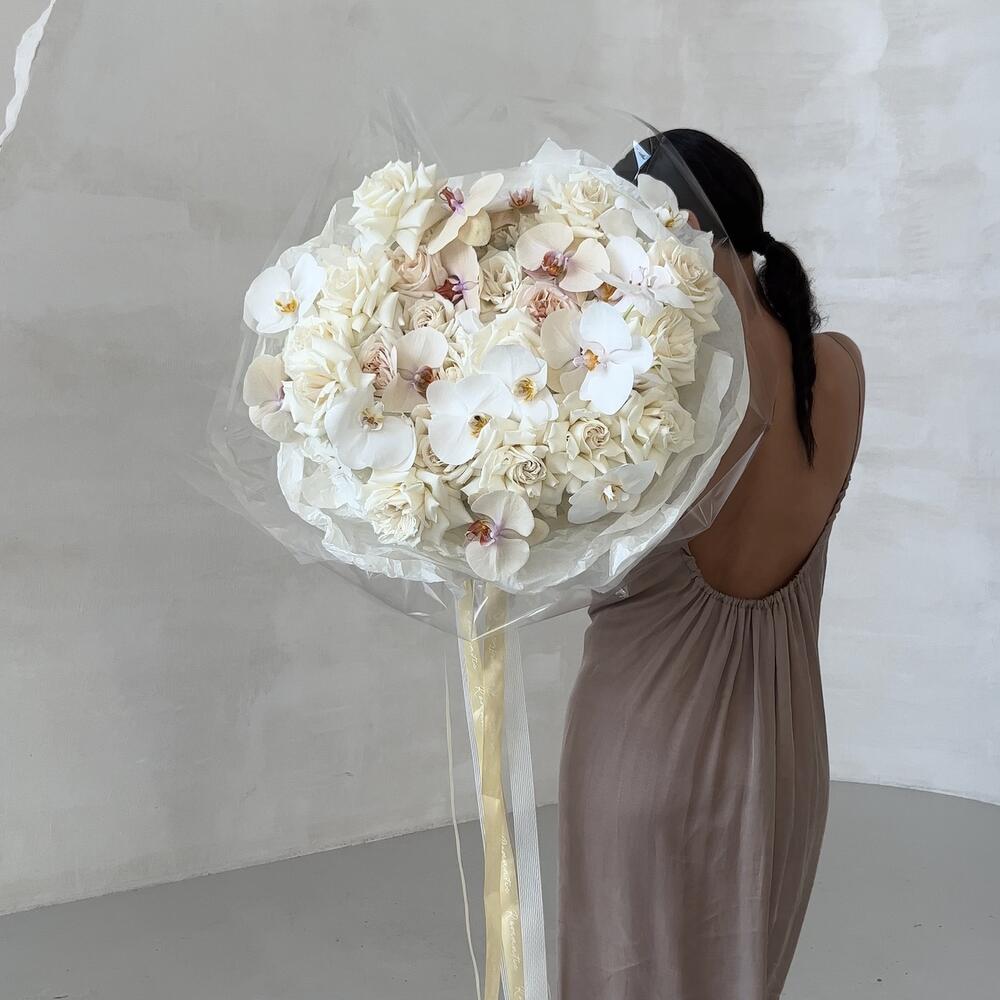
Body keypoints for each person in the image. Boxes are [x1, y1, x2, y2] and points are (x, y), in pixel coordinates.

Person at [558, 129, 865, 1000]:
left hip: (644, 748)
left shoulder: (660, 388)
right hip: (785, 760)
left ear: (678, 227)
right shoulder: (838, 368)